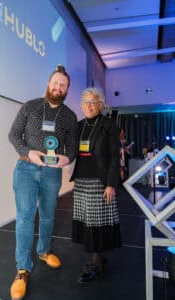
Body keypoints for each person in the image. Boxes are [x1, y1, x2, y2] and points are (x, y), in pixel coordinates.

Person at [9, 65, 78, 300]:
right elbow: (14, 135)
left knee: (48, 216)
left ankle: (44, 251)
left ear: (67, 89)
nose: (58, 87)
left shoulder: (69, 116)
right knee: (25, 218)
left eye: (63, 85)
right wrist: (30, 153)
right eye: (55, 82)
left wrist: (65, 158)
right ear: (49, 83)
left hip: (52, 173)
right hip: (26, 169)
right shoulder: (30, 106)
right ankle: (22, 269)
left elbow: (73, 148)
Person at [70, 87, 122, 284]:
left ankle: (95, 263)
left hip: (98, 181)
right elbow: (71, 148)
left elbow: (115, 157)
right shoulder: (80, 125)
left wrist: (111, 184)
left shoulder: (108, 125)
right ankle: (99, 258)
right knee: (87, 222)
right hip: (81, 180)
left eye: (93, 102)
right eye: (85, 102)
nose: (89, 106)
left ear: (100, 104)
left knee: (95, 223)